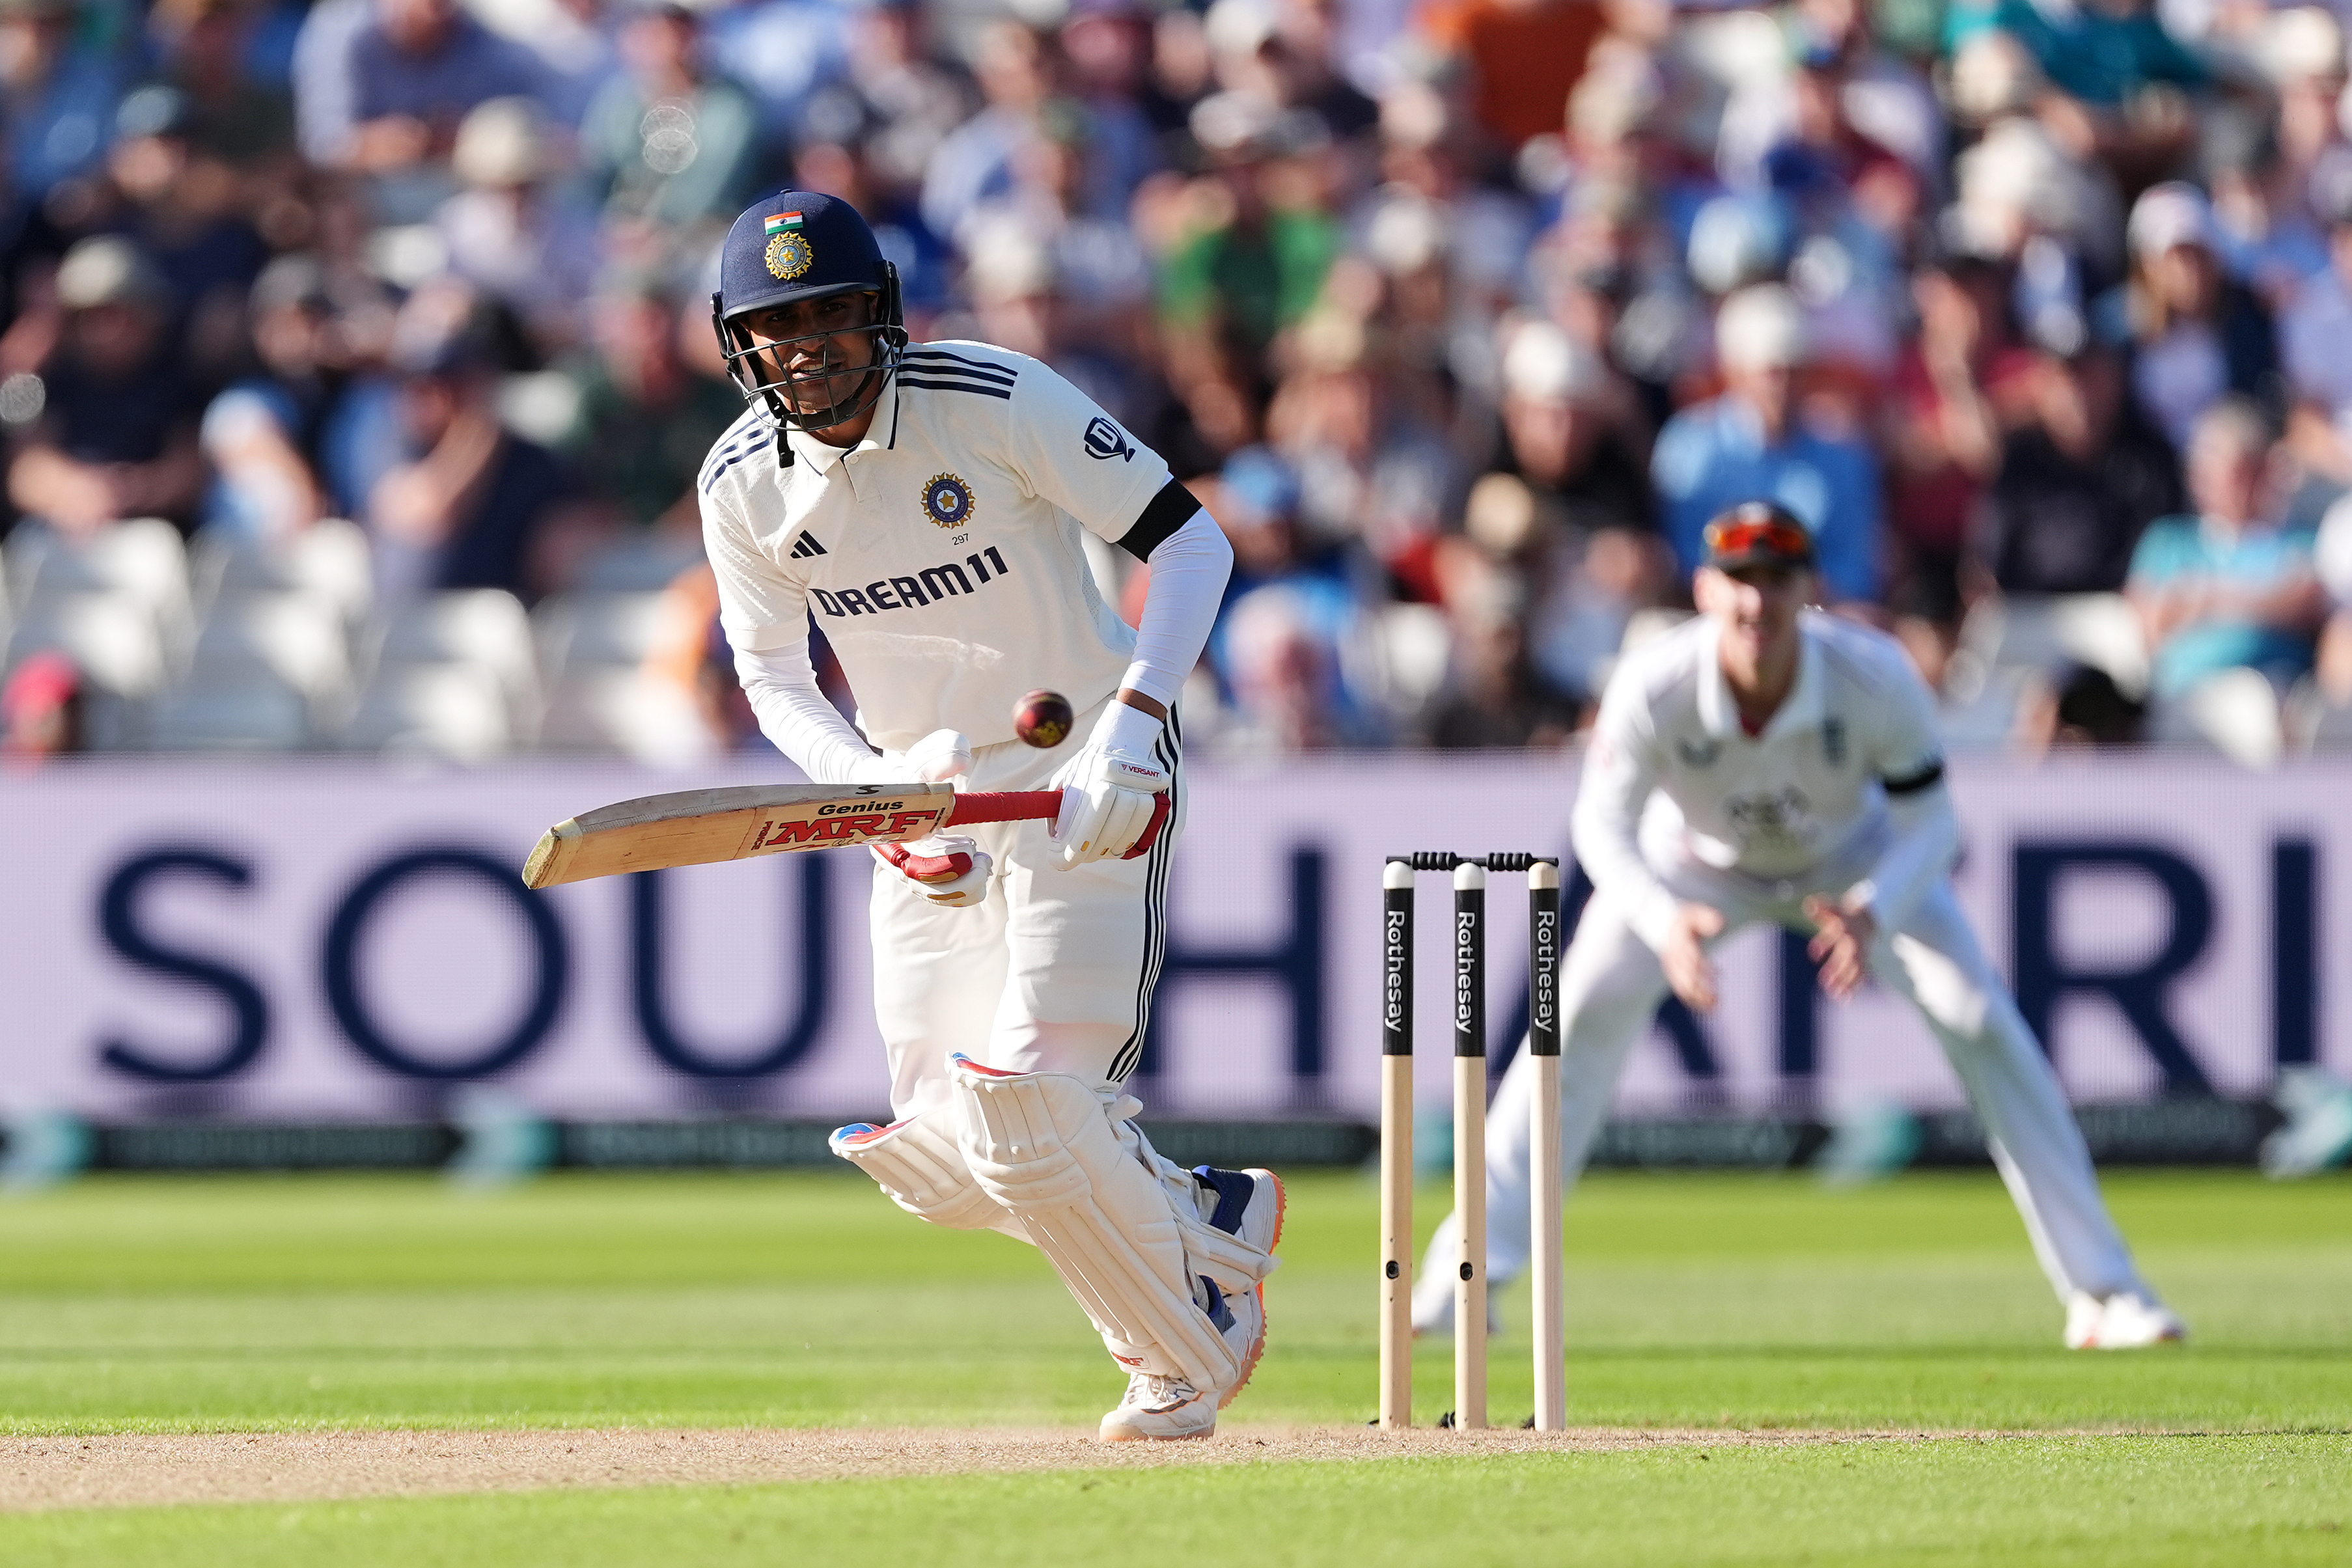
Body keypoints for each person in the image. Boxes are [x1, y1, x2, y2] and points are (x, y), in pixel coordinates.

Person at [695, 191, 1279, 1441]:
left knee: (1029, 1104)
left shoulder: (993, 395)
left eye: (834, 316)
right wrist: (872, 797)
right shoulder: (740, 483)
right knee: (938, 1159)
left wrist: (1132, 718)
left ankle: (1178, 1353)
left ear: (882, 316)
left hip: (1086, 781)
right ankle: (1199, 1213)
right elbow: (772, 676)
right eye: (777, 327)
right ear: (738, 347)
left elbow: (1191, 546)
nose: (809, 348)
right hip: (923, 801)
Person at [1408, 499, 2187, 1352]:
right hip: (1691, 867)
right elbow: (1601, 825)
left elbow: (1933, 826)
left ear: (1805, 590)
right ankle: (1464, 1271)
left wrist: (1873, 908)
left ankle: (2103, 1291)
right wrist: (1663, 919)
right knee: (1579, 1009)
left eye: (1774, 581)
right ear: (1705, 589)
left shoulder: (1872, 676)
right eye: (1737, 581)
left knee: (1976, 1014)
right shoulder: (1655, 681)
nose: (1755, 604)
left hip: (1852, 868)